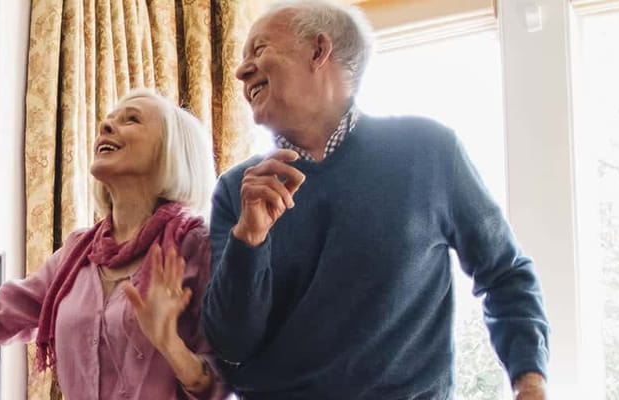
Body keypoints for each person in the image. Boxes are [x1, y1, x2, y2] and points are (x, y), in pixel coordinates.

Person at [201, 1, 550, 399]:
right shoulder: (236, 191)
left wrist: (530, 382)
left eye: (259, 50)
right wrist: (248, 239)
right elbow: (230, 345)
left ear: (319, 51)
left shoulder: (428, 152)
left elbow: (504, 274)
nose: (241, 71)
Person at [0, 89, 228, 399]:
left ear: (172, 153)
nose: (106, 127)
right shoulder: (78, 255)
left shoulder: (197, 245)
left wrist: (170, 345)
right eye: (108, 120)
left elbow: (225, 386)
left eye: (131, 119)